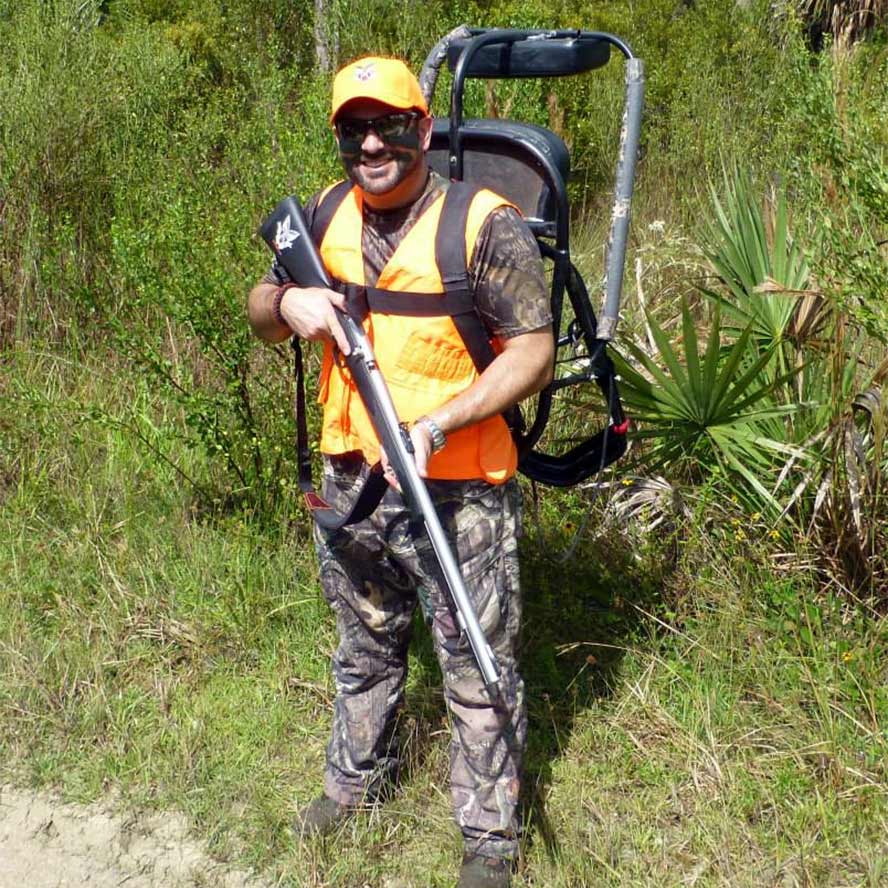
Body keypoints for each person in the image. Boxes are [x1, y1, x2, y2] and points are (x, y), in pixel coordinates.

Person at [247, 55, 553, 888]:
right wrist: (287, 304)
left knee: (477, 662)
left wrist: (443, 419)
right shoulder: (320, 215)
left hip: (460, 486)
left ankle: (489, 837)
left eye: (388, 126)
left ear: (423, 129)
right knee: (364, 645)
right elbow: (259, 310)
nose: (371, 143)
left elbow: (534, 352)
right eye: (353, 129)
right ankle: (354, 787)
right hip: (353, 483)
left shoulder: (484, 225)